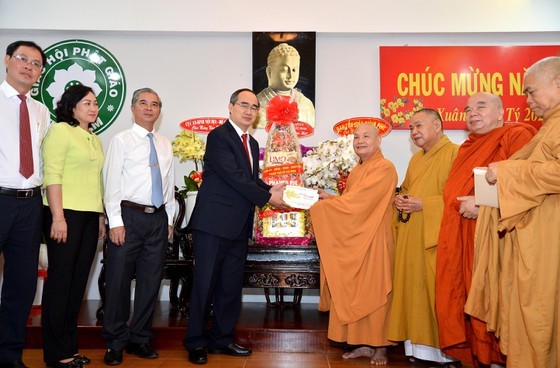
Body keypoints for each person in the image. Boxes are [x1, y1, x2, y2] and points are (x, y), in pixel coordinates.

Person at [183, 88, 288, 365]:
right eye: (244, 105)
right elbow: (233, 177)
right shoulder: (219, 137)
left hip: (239, 225)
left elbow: (248, 178)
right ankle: (195, 342)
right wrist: (268, 198)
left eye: (254, 107)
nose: (249, 111)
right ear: (230, 107)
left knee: (230, 287)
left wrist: (269, 187)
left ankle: (222, 339)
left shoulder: (252, 143)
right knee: (204, 285)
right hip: (213, 225)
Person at [467, 56, 560, 368]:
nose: (528, 100)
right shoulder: (550, 128)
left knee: (540, 311)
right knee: (529, 310)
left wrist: (506, 172)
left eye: (532, 91)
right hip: (534, 236)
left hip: (548, 238)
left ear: (557, 84)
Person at [435, 92, 537, 367]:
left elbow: (526, 183)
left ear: (501, 112)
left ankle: (500, 357)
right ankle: (482, 357)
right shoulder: (466, 147)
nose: (472, 112)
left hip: (498, 235)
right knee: (468, 295)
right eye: (468, 109)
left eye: (481, 106)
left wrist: (485, 206)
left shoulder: (516, 136)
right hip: (464, 236)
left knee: (492, 295)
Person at [310, 123, 397, 366]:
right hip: (358, 235)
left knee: (376, 290)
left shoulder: (384, 168)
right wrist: (329, 199)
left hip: (376, 237)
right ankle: (363, 344)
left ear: (378, 141)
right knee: (355, 288)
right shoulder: (358, 170)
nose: (360, 141)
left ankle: (380, 347)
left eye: (366, 137)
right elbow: (352, 203)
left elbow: (362, 205)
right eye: (356, 137)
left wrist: (323, 208)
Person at [102, 88, 175, 366]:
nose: (149, 108)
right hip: (128, 217)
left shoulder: (165, 143)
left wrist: (168, 219)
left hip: (157, 219)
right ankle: (116, 341)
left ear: (159, 111)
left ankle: (140, 338)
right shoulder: (121, 140)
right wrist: (115, 222)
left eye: (154, 104)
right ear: (133, 108)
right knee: (119, 280)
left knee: (150, 281)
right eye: (143, 103)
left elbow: (167, 184)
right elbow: (111, 183)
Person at [388, 109, 460, 366]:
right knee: (412, 289)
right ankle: (416, 349)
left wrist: (425, 205)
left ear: (438, 126)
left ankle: (444, 353)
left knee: (434, 291)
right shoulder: (417, 159)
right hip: (412, 234)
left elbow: (459, 199)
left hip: (436, 236)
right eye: (410, 128)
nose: (414, 132)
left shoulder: (455, 153)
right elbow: (407, 188)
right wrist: (401, 199)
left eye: (418, 125)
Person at [41, 85, 105, 368]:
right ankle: (57, 354)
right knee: (60, 284)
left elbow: (96, 182)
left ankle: (70, 348)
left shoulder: (94, 137)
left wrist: (101, 216)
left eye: (95, 103)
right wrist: (57, 217)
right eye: (87, 103)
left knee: (77, 285)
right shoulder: (59, 131)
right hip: (64, 215)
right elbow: (52, 175)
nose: (93, 108)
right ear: (71, 106)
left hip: (90, 217)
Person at [0, 40, 50, 368]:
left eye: (35, 63)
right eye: (22, 59)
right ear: (7, 61)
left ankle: (9, 357)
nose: (28, 66)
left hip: (30, 204)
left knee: (21, 284)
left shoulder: (40, 110)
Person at [256, 43, 315, 129]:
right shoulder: (258, 103)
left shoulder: (305, 104)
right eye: (284, 70)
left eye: (294, 70)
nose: (290, 76)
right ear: (269, 72)